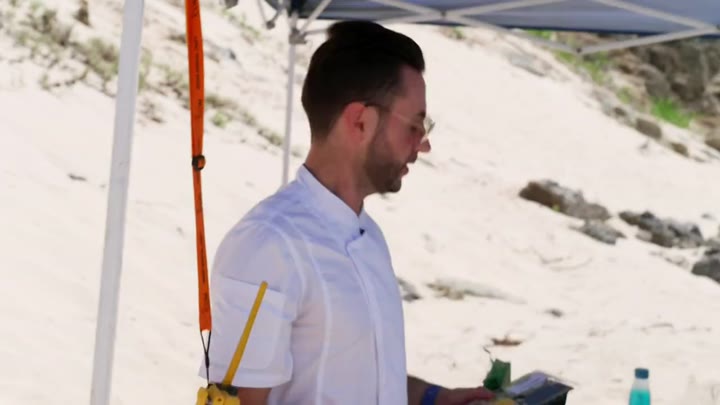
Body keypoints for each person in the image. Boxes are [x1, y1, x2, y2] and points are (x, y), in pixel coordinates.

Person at [200, 20, 495, 405]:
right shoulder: (269, 245)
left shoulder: (369, 235)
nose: (422, 145)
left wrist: (436, 398)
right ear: (361, 121)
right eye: (415, 126)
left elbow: (362, 376)